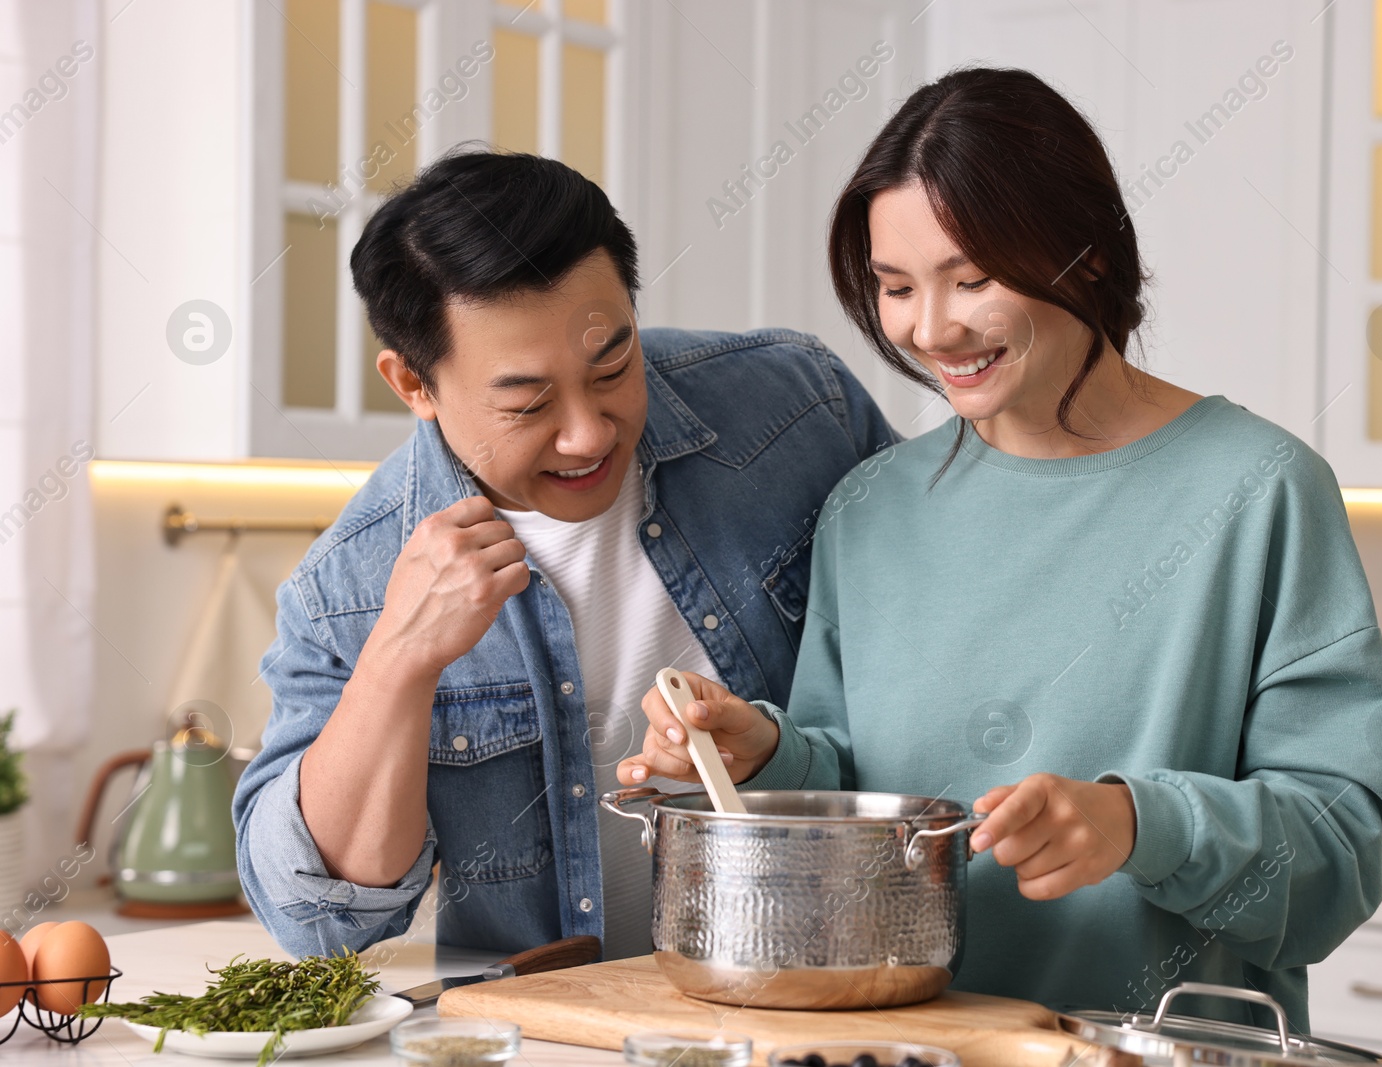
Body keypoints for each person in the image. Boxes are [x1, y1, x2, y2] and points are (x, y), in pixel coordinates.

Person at [618, 68, 1382, 1031]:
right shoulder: (870, 506)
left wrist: (1139, 825)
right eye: (897, 287)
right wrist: (768, 754)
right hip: (905, 1047)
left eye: (973, 279)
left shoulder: (1261, 489)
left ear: (1090, 255)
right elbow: (865, 790)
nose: (931, 328)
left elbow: (1343, 847)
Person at [233, 150, 897, 959]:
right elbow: (314, 919)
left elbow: (937, 660)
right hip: (552, 1035)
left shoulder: (796, 409)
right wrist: (399, 658)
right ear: (413, 383)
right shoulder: (349, 585)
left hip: (828, 989)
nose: (587, 434)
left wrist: (777, 755)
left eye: (613, 364)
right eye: (528, 401)